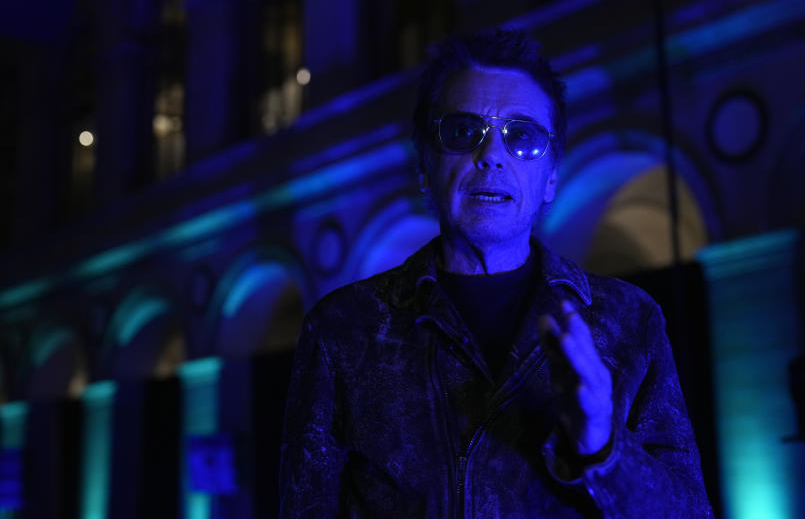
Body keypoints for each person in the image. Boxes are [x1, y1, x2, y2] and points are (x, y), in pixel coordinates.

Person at [278, 28, 713, 517]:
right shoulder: (344, 329)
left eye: (522, 136)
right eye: (463, 132)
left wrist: (603, 447)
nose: (491, 156)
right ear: (425, 166)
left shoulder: (629, 322)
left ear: (550, 177)